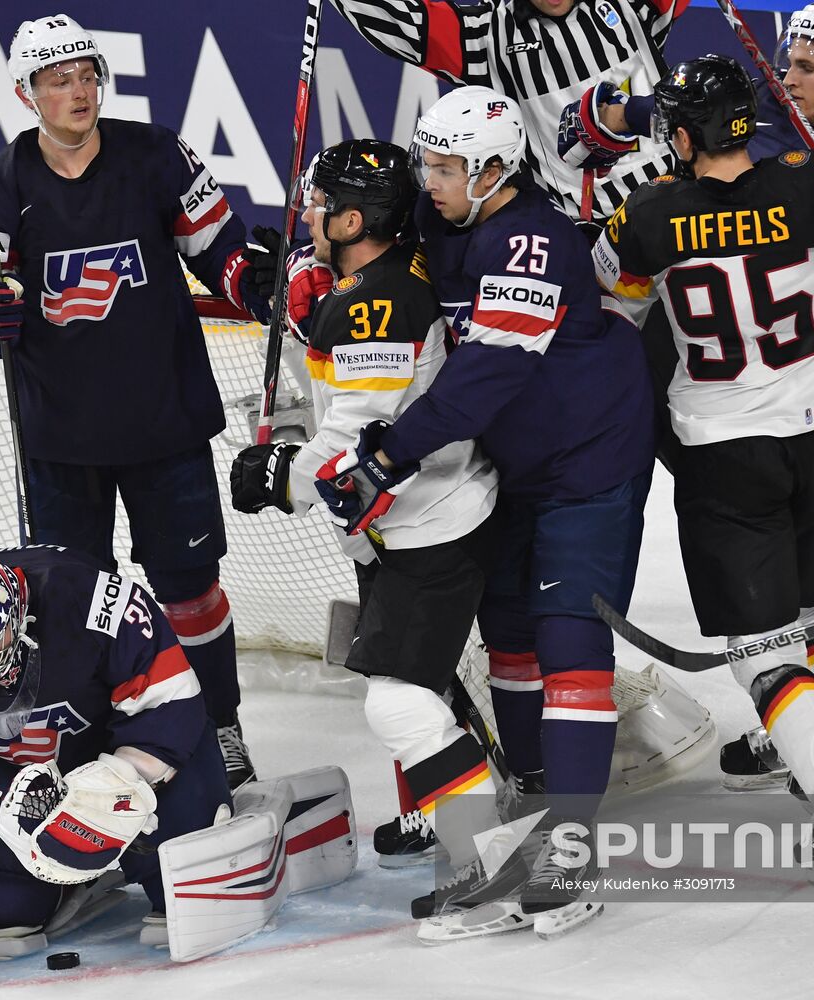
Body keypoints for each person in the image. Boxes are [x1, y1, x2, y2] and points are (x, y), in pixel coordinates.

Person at [593, 54, 814, 881]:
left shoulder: (641, 214)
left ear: (682, 134)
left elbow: (612, 305)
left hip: (721, 454)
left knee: (762, 646)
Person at [324, 87, 654, 940]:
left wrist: (390, 453)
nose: (428, 179)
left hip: (589, 458)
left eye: (444, 167)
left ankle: (570, 854)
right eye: (426, 162)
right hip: (511, 464)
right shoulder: (448, 223)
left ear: (494, 171)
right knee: (508, 638)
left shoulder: (532, 239)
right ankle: (533, 814)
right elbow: (365, 258)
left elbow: (490, 373)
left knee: (568, 640)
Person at [0, 14, 279, 787]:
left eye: (87, 74)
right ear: (26, 93)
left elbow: (219, 248)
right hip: (60, 440)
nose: (79, 91)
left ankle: (220, 725)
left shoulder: (155, 155)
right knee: (73, 604)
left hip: (165, 424)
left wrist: (252, 281)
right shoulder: (2, 184)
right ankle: (96, 739)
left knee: (190, 595)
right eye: (59, 80)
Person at [227, 139, 525, 935]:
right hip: (420, 522)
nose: (310, 214)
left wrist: (276, 473)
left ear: (355, 218)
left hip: (427, 526)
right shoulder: (382, 279)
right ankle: (503, 851)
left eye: (322, 204)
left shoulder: (373, 304)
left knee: (398, 706)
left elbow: (357, 444)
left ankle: (495, 869)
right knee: (426, 697)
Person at [0, 545, 231, 974]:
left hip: (120, 753)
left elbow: (170, 696)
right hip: (18, 776)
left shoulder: (91, 599)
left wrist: (119, 781)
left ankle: (160, 839)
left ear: (18, 609)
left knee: (179, 880)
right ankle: (69, 878)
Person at [327, 0, 691, 224]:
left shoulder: (631, 4)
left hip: (686, 205)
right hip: (593, 241)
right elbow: (404, 22)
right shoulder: (487, 37)